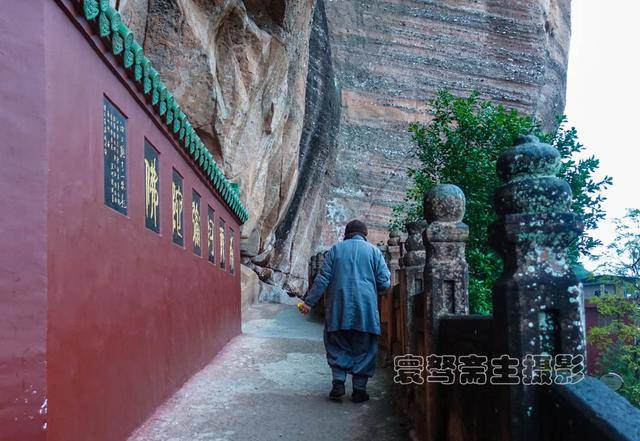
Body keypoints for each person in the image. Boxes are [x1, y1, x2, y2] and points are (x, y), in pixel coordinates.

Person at [299, 219, 391, 402]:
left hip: (338, 310)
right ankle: (359, 390)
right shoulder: (374, 252)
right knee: (364, 349)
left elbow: (322, 279)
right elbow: (385, 283)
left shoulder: (335, 250)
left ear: (347, 234)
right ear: (364, 234)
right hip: (365, 312)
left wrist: (308, 303)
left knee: (337, 344)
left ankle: (339, 382)